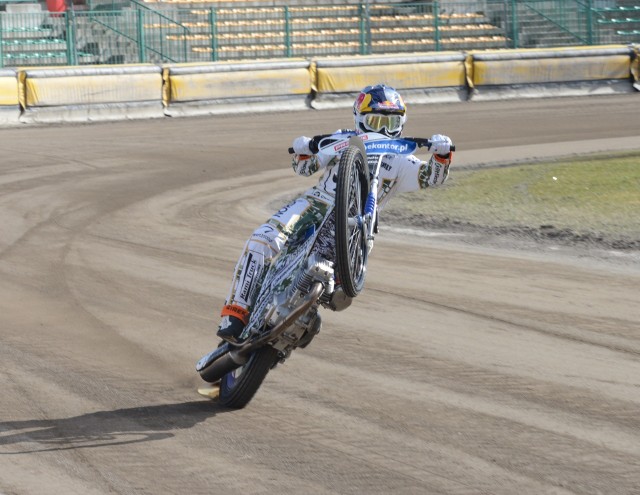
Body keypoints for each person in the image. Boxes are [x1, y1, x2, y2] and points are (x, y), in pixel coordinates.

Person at [216, 83, 453, 344]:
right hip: (316, 204)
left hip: (356, 225)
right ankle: (235, 311)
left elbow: (431, 177)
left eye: (391, 123)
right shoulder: (342, 140)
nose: (383, 130)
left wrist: (441, 155)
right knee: (263, 238)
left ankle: (307, 312)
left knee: (337, 288)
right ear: (360, 120)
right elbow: (305, 168)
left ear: (402, 123)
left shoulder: (401, 159)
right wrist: (303, 149)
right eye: (375, 122)